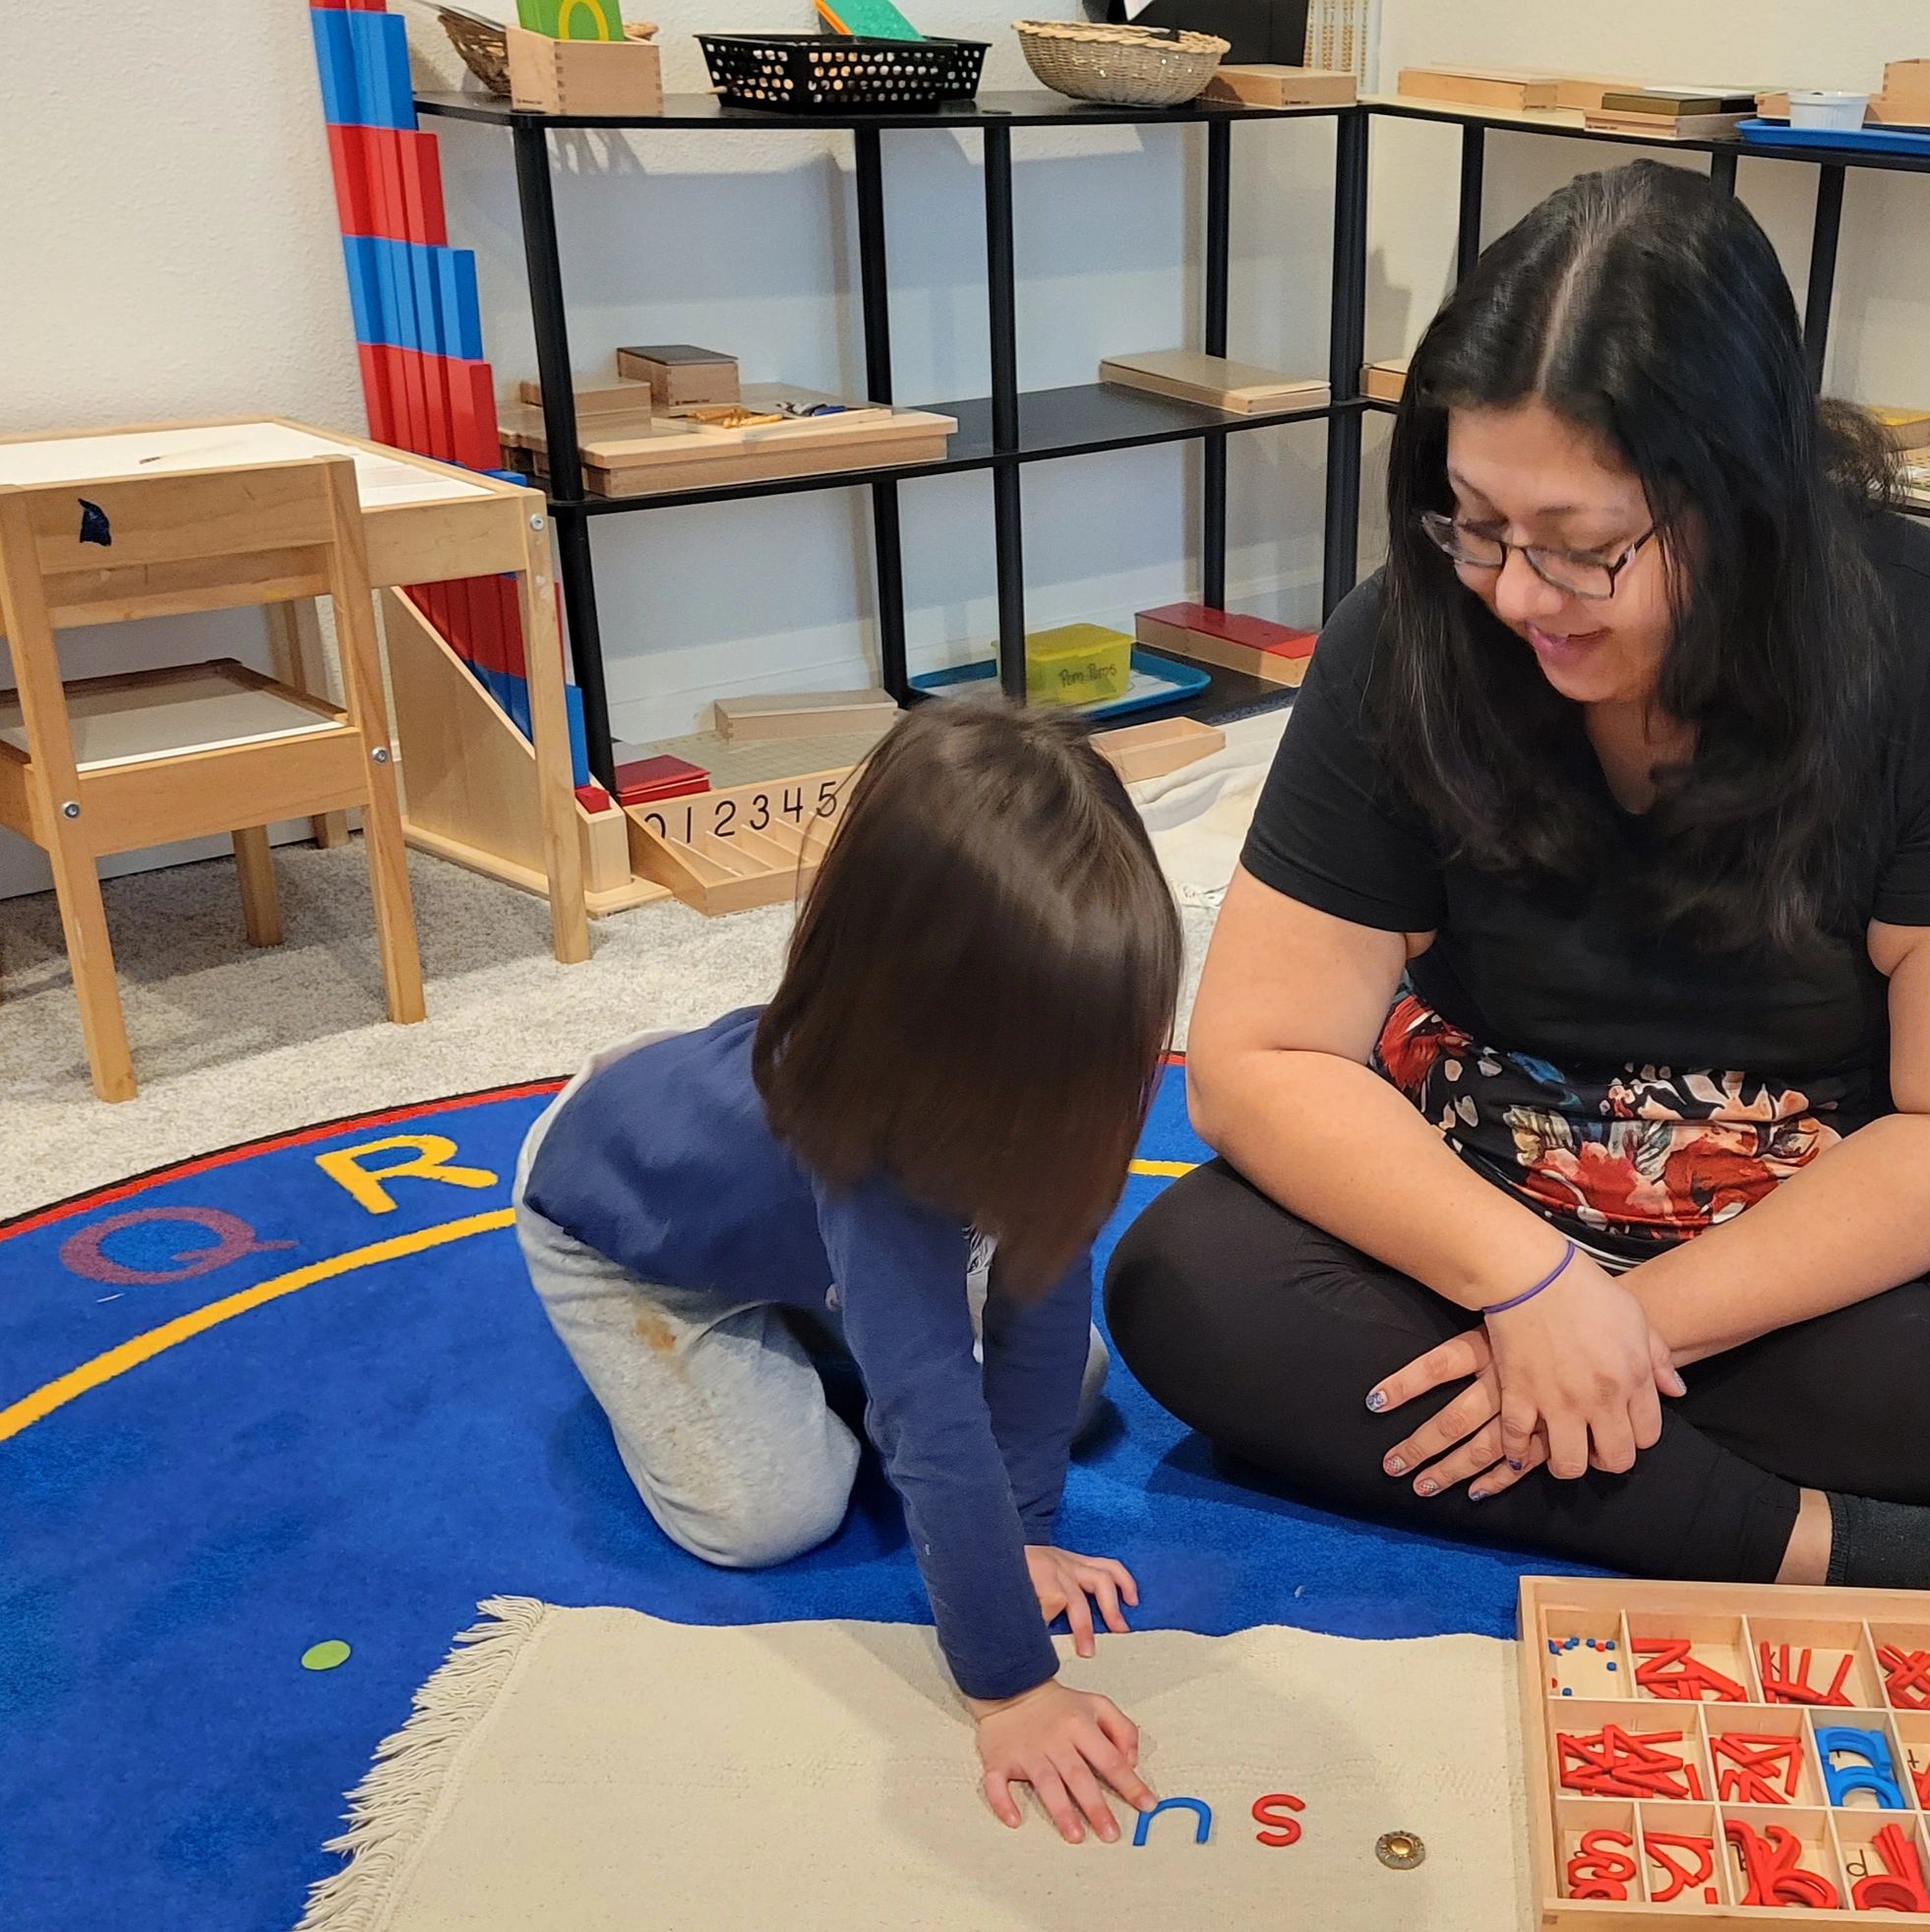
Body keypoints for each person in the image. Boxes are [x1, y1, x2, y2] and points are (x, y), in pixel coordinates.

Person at [1107, 160, 1930, 1594]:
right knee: (1189, 1289)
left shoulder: (1908, 651)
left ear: (1741, 503)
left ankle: (1597, 1457)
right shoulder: (1409, 637)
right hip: (1476, 1206)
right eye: (1473, 521)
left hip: (1793, 1232)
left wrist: (1631, 1328)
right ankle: (1810, 1543)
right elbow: (1257, 1056)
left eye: (1582, 550)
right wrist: (1533, 1286)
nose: (1512, 594)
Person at [513, 700, 1183, 1842]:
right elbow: (926, 1412)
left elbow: (1046, 1269)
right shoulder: (868, 1141)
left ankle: (829, 1320)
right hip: (622, 1220)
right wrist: (1011, 1685)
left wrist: (1021, 1529)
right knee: (773, 1510)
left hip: (799, 1224)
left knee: (1067, 1379)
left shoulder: (1064, 1055)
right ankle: (795, 1311)